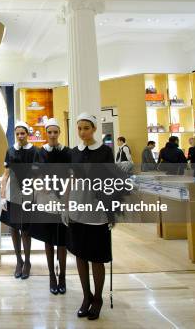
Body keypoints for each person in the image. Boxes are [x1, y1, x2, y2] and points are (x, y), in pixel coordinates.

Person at [67, 113, 114, 321]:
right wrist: (65, 206)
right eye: (79, 128)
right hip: (78, 207)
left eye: (86, 128)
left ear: (94, 129)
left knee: (96, 257)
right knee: (80, 254)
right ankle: (86, 297)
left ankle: (98, 299)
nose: (82, 132)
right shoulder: (74, 152)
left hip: (98, 209)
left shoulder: (105, 151)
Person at [31, 118, 71, 295]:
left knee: (62, 240)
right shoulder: (40, 152)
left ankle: (62, 276)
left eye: (56, 132)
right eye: (50, 132)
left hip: (64, 200)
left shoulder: (67, 152)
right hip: (46, 200)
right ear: (46, 133)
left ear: (59, 133)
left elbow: (72, 175)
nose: (53, 135)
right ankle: (51, 276)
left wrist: (66, 197)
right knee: (48, 239)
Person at [0, 121, 36, 280]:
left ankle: (27, 262)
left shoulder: (35, 151)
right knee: (13, 228)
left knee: (26, 229)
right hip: (12, 193)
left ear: (27, 134)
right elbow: (6, 174)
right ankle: (19, 261)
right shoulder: (10, 151)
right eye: (18, 134)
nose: (20, 136)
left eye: (23, 133)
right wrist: (2, 194)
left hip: (28, 193)